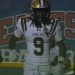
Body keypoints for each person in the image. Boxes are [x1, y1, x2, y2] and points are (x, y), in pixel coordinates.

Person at [9, 0, 68, 75]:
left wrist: (60, 63)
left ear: (48, 12)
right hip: (29, 65)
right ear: (33, 11)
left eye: (44, 11)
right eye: (38, 11)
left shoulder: (53, 24)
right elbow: (12, 40)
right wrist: (12, 51)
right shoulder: (24, 22)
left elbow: (61, 45)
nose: (41, 14)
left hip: (45, 65)